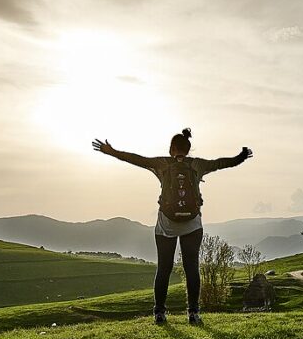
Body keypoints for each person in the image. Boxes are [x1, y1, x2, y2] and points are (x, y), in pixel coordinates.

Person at [92, 129, 252, 324]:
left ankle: (159, 313)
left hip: (166, 225)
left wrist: (112, 151)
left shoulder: (162, 164)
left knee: (164, 269)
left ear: (171, 149)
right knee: (192, 268)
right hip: (192, 225)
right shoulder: (197, 165)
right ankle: (193, 313)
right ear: (188, 148)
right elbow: (222, 163)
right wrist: (242, 156)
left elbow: (137, 159)